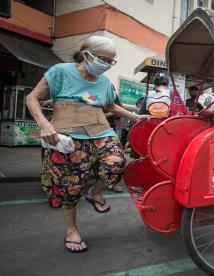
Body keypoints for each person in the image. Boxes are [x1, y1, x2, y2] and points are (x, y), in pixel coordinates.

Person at [26, 35, 149, 253]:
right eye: (104, 59)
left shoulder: (104, 82)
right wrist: (44, 124)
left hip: (100, 131)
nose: (107, 64)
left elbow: (110, 105)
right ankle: (72, 230)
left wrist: (135, 117)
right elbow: (32, 98)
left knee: (117, 164)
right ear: (86, 54)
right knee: (70, 186)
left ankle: (94, 192)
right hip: (67, 137)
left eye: (111, 61)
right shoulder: (60, 71)